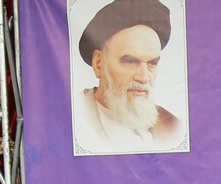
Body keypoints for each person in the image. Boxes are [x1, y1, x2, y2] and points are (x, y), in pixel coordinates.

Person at [72, 0, 186, 154]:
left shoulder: (173, 126)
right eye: (131, 62)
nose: (144, 77)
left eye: (152, 63)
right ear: (99, 64)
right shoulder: (73, 120)